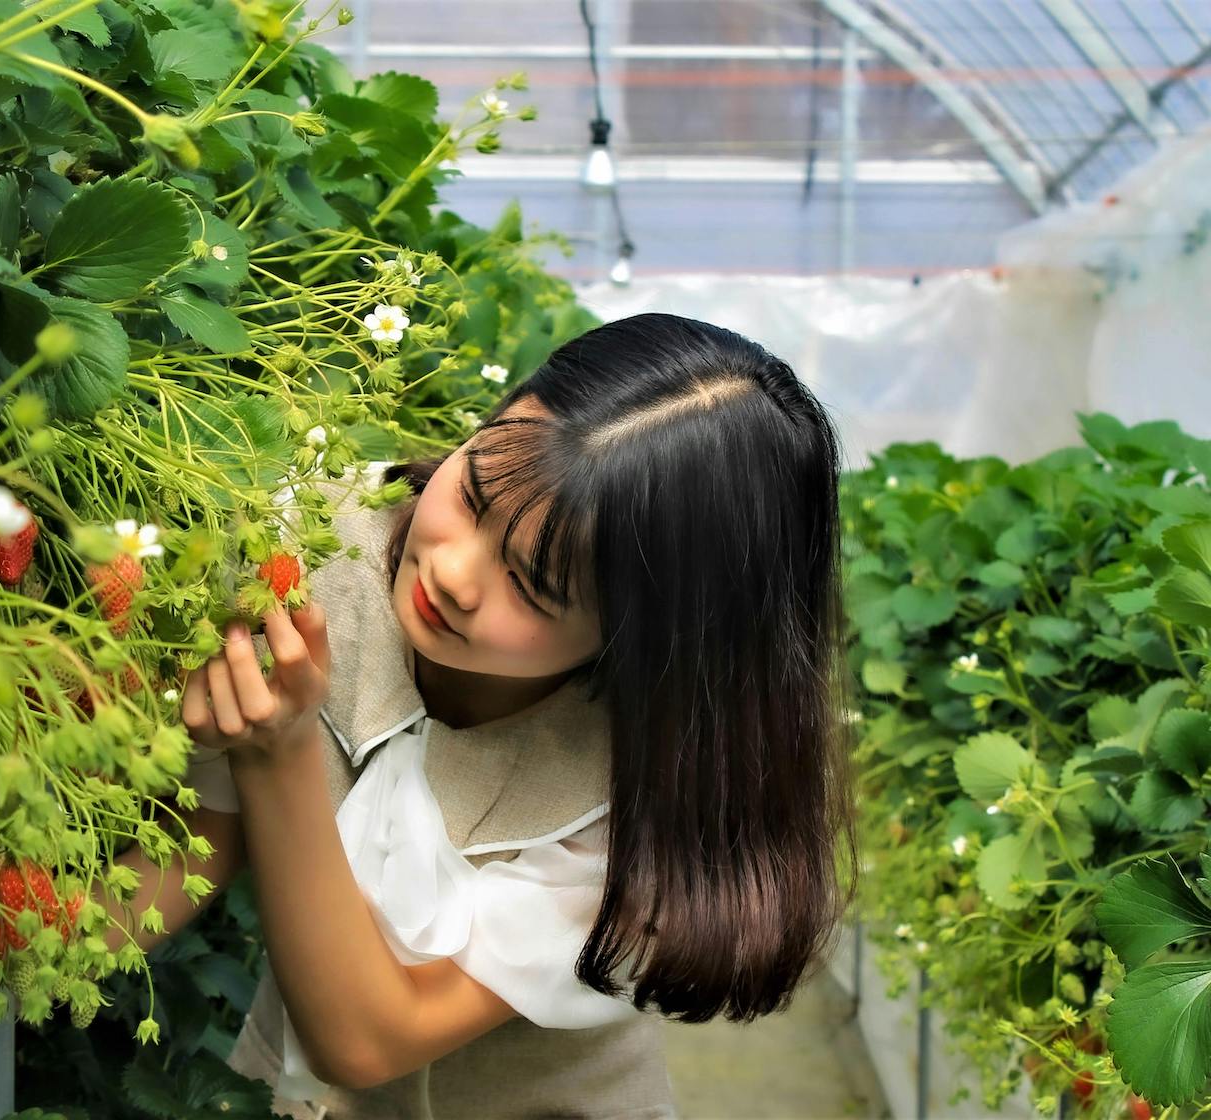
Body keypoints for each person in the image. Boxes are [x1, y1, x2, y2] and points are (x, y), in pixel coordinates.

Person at [99, 311, 861, 1119]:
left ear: (650, 645)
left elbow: (365, 1040)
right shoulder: (320, 546)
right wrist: (1, 955)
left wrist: (277, 754)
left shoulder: (648, 803)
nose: (456, 572)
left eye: (533, 585)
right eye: (470, 492)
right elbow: (200, 840)